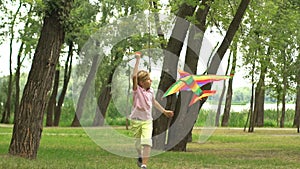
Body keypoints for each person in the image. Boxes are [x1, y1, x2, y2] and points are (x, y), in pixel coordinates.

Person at [129, 51, 174, 169]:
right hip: (136, 120)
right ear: (141, 82)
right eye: (148, 79)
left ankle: (144, 164)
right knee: (138, 144)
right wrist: (138, 59)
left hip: (147, 120)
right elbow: (134, 76)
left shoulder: (151, 91)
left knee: (147, 142)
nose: (151, 81)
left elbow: (154, 102)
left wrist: (164, 111)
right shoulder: (136, 90)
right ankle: (140, 156)